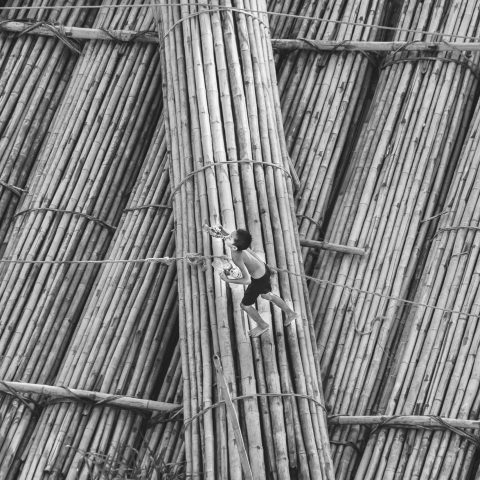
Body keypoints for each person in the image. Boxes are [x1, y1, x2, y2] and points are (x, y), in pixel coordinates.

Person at [219, 228, 298, 337]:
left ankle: (262, 325)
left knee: (245, 305)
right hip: (264, 270)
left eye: (230, 237)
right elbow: (249, 250)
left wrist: (228, 280)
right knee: (266, 295)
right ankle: (290, 313)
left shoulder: (237, 256)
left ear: (233, 247)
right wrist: (222, 231)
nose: (227, 237)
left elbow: (247, 280)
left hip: (258, 280)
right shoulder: (242, 245)